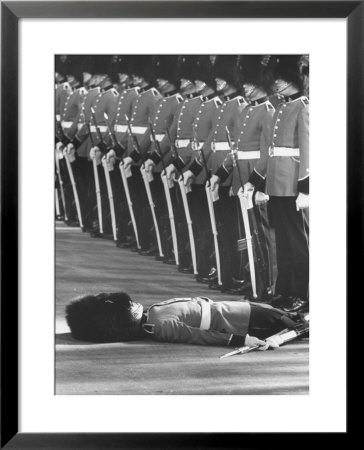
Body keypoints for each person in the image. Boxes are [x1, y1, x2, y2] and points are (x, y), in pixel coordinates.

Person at [244, 55, 309, 313]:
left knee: (297, 242)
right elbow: (271, 151)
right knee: (282, 240)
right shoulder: (281, 107)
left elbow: (307, 150)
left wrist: (306, 188)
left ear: (294, 79)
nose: (277, 84)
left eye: (281, 78)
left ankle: (302, 293)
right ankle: (284, 290)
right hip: (277, 184)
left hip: (294, 185)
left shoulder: (303, 107)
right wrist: (254, 182)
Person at [65, 291, 306, 348]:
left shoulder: (151, 315)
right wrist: (242, 340)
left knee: (286, 316)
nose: (133, 303)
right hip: (239, 320)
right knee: (288, 322)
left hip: (232, 309)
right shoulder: (155, 326)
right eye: (128, 307)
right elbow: (196, 335)